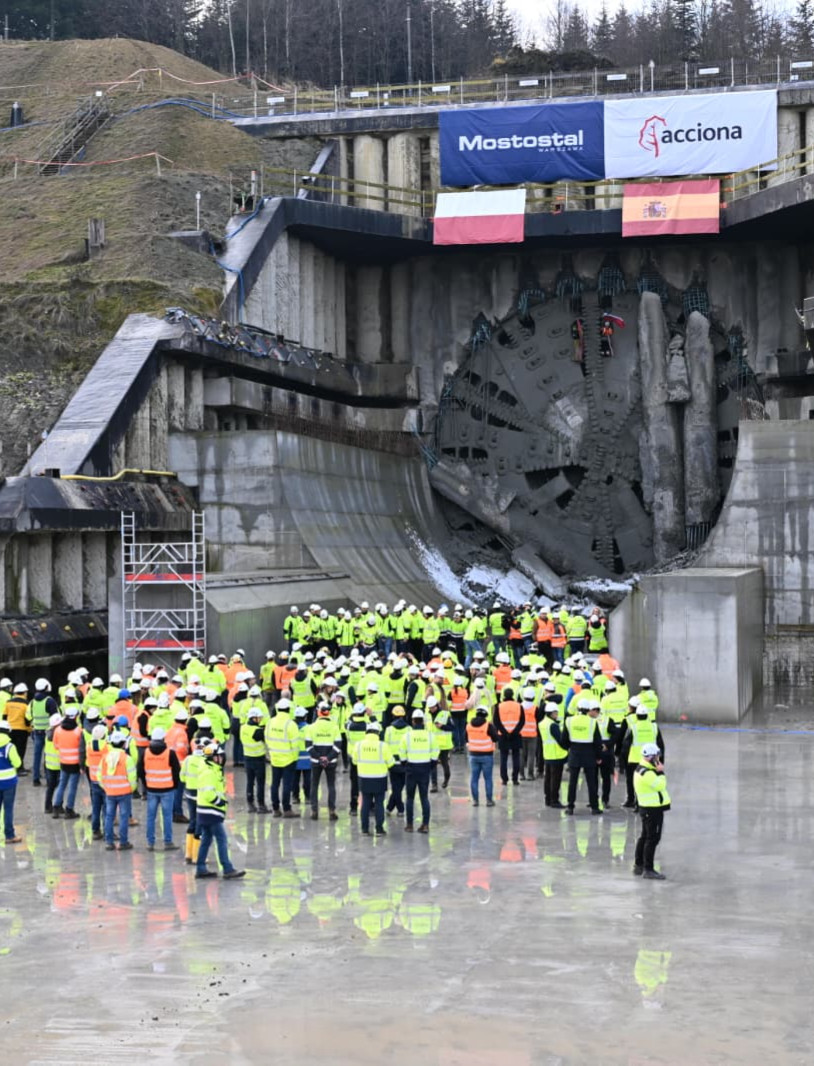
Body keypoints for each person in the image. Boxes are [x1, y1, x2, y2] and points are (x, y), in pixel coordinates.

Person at [195, 740, 245, 879]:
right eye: (221, 756)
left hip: (206, 812)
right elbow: (208, 793)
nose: (222, 759)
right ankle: (227, 869)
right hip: (211, 811)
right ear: (214, 757)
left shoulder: (209, 769)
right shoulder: (209, 772)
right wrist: (220, 802)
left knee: (206, 840)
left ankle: (200, 868)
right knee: (222, 839)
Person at [633, 743, 671, 880]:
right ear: (651, 757)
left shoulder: (644, 768)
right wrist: (660, 771)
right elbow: (661, 785)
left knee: (645, 836)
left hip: (649, 808)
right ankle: (648, 869)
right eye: (657, 756)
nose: (659, 758)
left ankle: (639, 864)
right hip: (652, 809)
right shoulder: (647, 773)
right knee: (652, 838)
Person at [143, 727, 182, 852]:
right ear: (163, 739)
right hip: (167, 789)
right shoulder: (170, 753)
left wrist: (146, 784)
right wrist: (174, 785)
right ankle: (168, 842)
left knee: (151, 817)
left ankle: (150, 843)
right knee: (167, 816)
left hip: (152, 789)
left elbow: (140, 770)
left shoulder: (146, 752)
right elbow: (177, 771)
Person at [562, 698, 603, 815]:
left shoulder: (569, 721)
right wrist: (598, 756)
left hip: (574, 753)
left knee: (573, 782)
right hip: (589, 754)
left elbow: (564, 739)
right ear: (588, 710)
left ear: (578, 709)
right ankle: (594, 807)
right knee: (591, 782)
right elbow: (597, 742)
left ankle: (570, 807)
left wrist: (569, 748)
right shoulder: (592, 722)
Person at [400, 709, 439, 834]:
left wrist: (405, 763)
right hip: (424, 769)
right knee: (424, 797)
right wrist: (431, 765)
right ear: (423, 721)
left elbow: (402, 752)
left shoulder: (407, 736)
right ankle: (425, 824)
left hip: (411, 769)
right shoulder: (429, 735)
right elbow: (435, 751)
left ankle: (410, 825)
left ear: (412, 721)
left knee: (410, 798)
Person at [98, 730, 138, 851]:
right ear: (123, 743)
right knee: (124, 817)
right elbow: (132, 777)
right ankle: (123, 842)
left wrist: (106, 788)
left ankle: (109, 842)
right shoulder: (127, 759)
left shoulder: (105, 758)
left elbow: (99, 776)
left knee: (109, 816)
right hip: (124, 793)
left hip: (110, 793)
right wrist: (131, 789)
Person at [621, 703, 666, 809]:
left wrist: (623, 760)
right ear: (647, 715)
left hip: (634, 759)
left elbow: (626, 745)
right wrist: (661, 761)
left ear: (636, 715)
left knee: (632, 781)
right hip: (651, 760)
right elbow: (661, 745)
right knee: (648, 782)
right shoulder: (654, 727)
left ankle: (631, 800)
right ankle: (642, 803)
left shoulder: (633, 727)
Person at [353, 721, 394, 836]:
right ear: (378, 733)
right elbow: (391, 763)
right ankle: (379, 829)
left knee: (365, 803)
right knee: (379, 804)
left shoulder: (358, 745)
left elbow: (354, 761)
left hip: (364, 779)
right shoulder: (383, 746)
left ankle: (364, 829)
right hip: (379, 779)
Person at [265, 697, 300, 818]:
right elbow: (295, 745)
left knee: (275, 784)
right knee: (287, 785)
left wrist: (271, 752)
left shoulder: (270, 722)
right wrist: (295, 758)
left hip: (275, 758)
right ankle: (287, 809)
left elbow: (267, 739)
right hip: (289, 759)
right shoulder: (291, 724)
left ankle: (275, 809)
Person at [306, 704, 341, 821]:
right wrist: (328, 758)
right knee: (331, 785)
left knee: (314, 785)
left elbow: (308, 747)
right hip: (331, 762)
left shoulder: (311, 727)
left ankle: (314, 811)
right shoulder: (335, 727)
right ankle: (332, 811)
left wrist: (319, 758)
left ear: (318, 713)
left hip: (316, 761)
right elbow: (338, 746)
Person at [52, 707, 83, 819]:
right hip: (75, 763)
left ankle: (56, 806)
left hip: (63, 761)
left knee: (62, 784)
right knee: (72, 787)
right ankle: (69, 809)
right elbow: (81, 748)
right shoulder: (78, 731)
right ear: (75, 717)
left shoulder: (58, 730)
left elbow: (55, 746)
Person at [27, 678, 58, 786]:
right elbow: (56, 716)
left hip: (36, 732)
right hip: (48, 732)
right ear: (46, 687)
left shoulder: (32, 702)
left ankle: (36, 779)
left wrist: (33, 723)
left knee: (37, 756)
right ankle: (49, 778)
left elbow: (28, 716)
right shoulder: (50, 701)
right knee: (49, 755)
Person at [466, 705, 497, 807]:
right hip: (487, 755)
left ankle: (475, 801)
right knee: (488, 778)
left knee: (474, 778)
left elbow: (466, 738)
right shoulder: (488, 726)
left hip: (473, 755)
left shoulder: (469, 725)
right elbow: (496, 738)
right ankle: (489, 800)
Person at [241, 707, 269, 813]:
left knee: (250, 782)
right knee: (260, 783)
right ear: (254, 718)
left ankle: (250, 804)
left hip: (247, 758)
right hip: (258, 759)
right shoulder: (257, 731)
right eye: (259, 718)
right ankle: (261, 805)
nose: (261, 719)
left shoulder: (243, 728)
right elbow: (265, 740)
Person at [540, 702, 567, 809]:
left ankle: (548, 799)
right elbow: (560, 740)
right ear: (552, 713)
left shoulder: (542, 723)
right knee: (555, 779)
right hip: (557, 754)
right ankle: (554, 800)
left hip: (547, 753)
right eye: (556, 712)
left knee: (548, 778)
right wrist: (567, 748)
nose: (557, 714)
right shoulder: (553, 725)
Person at [495, 687, 523, 786]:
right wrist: (515, 732)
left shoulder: (500, 706)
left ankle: (504, 779)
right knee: (516, 757)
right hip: (516, 735)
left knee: (503, 758)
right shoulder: (518, 706)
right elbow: (522, 721)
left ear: (504, 696)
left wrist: (504, 732)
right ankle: (515, 779)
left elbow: (496, 722)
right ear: (512, 695)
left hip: (503, 736)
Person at [85, 723, 109, 840]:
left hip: (93, 780)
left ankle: (95, 830)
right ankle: (107, 830)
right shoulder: (106, 747)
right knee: (106, 808)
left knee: (96, 807)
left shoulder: (89, 745)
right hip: (105, 781)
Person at [0, 720, 22, 844]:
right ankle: (9, 836)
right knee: (8, 809)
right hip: (9, 783)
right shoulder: (10, 747)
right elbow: (17, 763)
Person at [384, 705, 409, 817]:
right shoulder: (409, 729)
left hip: (392, 763)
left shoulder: (389, 730)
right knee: (399, 787)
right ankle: (394, 808)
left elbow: (386, 747)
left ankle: (397, 808)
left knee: (396, 787)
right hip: (405, 763)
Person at [5, 683, 30, 775]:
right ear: (24, 693)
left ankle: (12, 766)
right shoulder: (26, 704)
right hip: (22, 729)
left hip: (10, 729)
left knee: (11, 749)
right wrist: (29, 729)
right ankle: (19, 768)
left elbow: (5, 716)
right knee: (20, 750)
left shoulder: (8, 702)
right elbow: (27, 719)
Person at [292, 706, 311, 805]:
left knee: (295, 779)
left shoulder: (292, 727)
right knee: (307, 779)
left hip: (294, 758)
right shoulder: (309, 728)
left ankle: (295, 797)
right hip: (307, 759)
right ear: (305, 717)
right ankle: (308, 797)